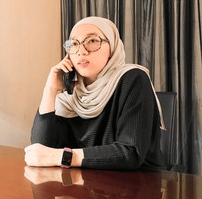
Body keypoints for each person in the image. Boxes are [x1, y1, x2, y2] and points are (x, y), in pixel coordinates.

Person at [24, 16, 166, 170]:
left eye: (92, 41)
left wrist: (61, 157)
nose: (81, 51)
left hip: (138, 185)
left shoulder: (133, 79)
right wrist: (50, 89)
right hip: (87, 185)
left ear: (112, 48)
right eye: (74, 44)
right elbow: (40, 150)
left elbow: (130, 153)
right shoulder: (71, 96)